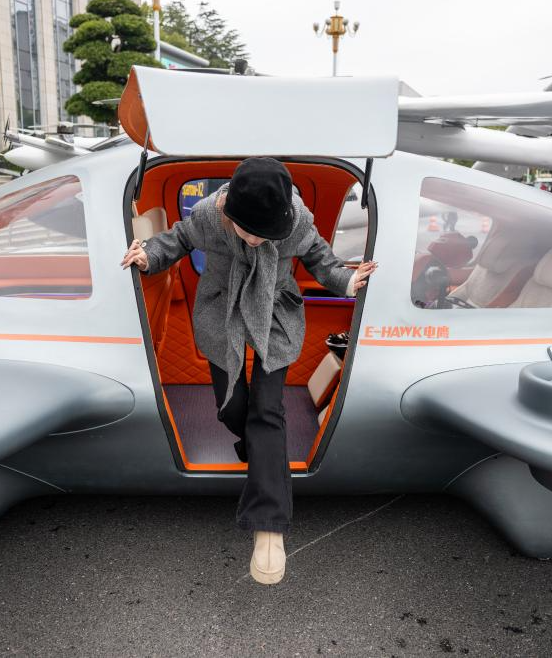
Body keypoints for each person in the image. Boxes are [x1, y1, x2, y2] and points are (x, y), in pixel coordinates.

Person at [120, 158, 377, 585]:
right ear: (227, 214)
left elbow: (320, 258)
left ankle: (269, 526)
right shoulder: (207, 216)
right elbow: (176, 239)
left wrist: (347, 282)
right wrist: (147, 256)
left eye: (265, 233)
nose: (255, 240)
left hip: (275, 313)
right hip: (223, 312)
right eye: (247, 230)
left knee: (267, 412)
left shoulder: (295, 223)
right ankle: (257, 451)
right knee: (232, 409)